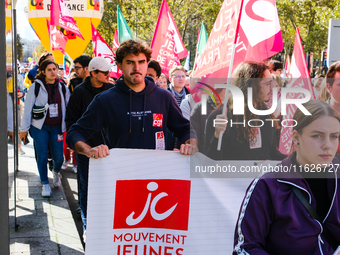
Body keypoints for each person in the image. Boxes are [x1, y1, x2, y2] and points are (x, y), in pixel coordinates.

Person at [233, 100, 340, 255]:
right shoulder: (268, 185)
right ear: (296, 137)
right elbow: (245, 248)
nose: (328, 145)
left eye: (334, 136)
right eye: (317, 135)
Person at [66, 38, 197, 160]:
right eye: (130, 62)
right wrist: (88, 150)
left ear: (147, 63)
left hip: (156, 173)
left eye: (141, 62)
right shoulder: (104, 100)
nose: (137, 68)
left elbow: (185, 129)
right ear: (120, 65)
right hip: (120, 175)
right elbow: (75, 133)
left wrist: (191, 143)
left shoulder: (164, 97)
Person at [65, 56, 115, 240]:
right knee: (86, 187)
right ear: (93, 73)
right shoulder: (79, 92)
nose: (110, 75)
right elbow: (71, 121)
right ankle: (87, 225)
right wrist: (79, 145)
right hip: (86, 150)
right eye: (105, 73)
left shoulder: (112, 89)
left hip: (110, 150)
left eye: (110, 71)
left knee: (109, 187)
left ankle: (106, 223)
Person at [205, 61, 286, 160]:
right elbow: (210, 162)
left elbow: (271, 153)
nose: (272, 88)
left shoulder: (267, 115)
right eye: (267, 83)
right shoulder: (221, 116)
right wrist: (217, 135)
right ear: (252, 85)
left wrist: (293, 158)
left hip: (261, 175)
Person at [19, 59, 70, 197]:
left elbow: (68, 106)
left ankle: (56, 172)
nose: (53, 72)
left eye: (55, 69)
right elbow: (28, 109)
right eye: (49, 69)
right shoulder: (36, 86)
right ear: (43, 71)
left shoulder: (63, 87)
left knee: (58, 158)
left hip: (57, 128)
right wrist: (23, 129)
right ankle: (45, 183)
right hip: (39, 127)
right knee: (41, 156)